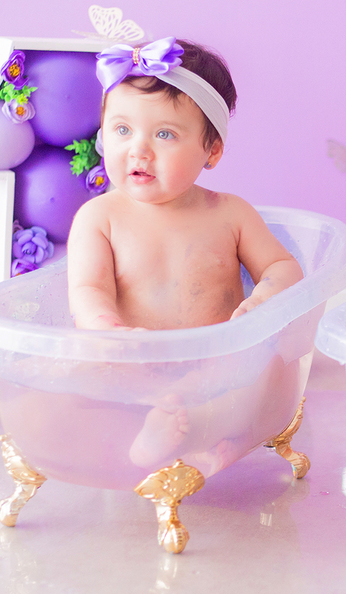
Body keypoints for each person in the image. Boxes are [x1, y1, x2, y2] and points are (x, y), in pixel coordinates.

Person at [66, 37, 303, 469]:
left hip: (217, 366)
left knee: (270, 374)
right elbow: (88, 289)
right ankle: (191, 432)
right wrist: (108, 332)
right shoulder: (99, 217)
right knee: (67, 379)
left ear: (212, 150)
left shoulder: (230, 213)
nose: (138, 149)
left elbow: (283, 266)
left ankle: (200, 429)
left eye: (164, 134)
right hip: (135, 366)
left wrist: (264, 298)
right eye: (122, 130)